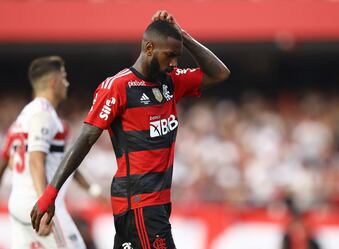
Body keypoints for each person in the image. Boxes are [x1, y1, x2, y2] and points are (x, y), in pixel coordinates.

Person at [31, 10, 230, 249]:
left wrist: (183, 36)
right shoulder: (118, 87)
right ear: (148, 49)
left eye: (177, 56)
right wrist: (50, 194)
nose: (174, 63)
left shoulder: (170, 82)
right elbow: (84, 141)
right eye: (169, 55)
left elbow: (220, 73)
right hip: (139, 204)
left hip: (154, 203)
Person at [7, 56, 89, 249]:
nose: (67, 83)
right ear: (54, 82)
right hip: (40, 205)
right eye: (64, 77)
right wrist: (43, 205)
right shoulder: (44, 114)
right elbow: (36, 159)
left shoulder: (24, 115)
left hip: (18, 203)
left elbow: (6, 158)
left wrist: (93, 189)